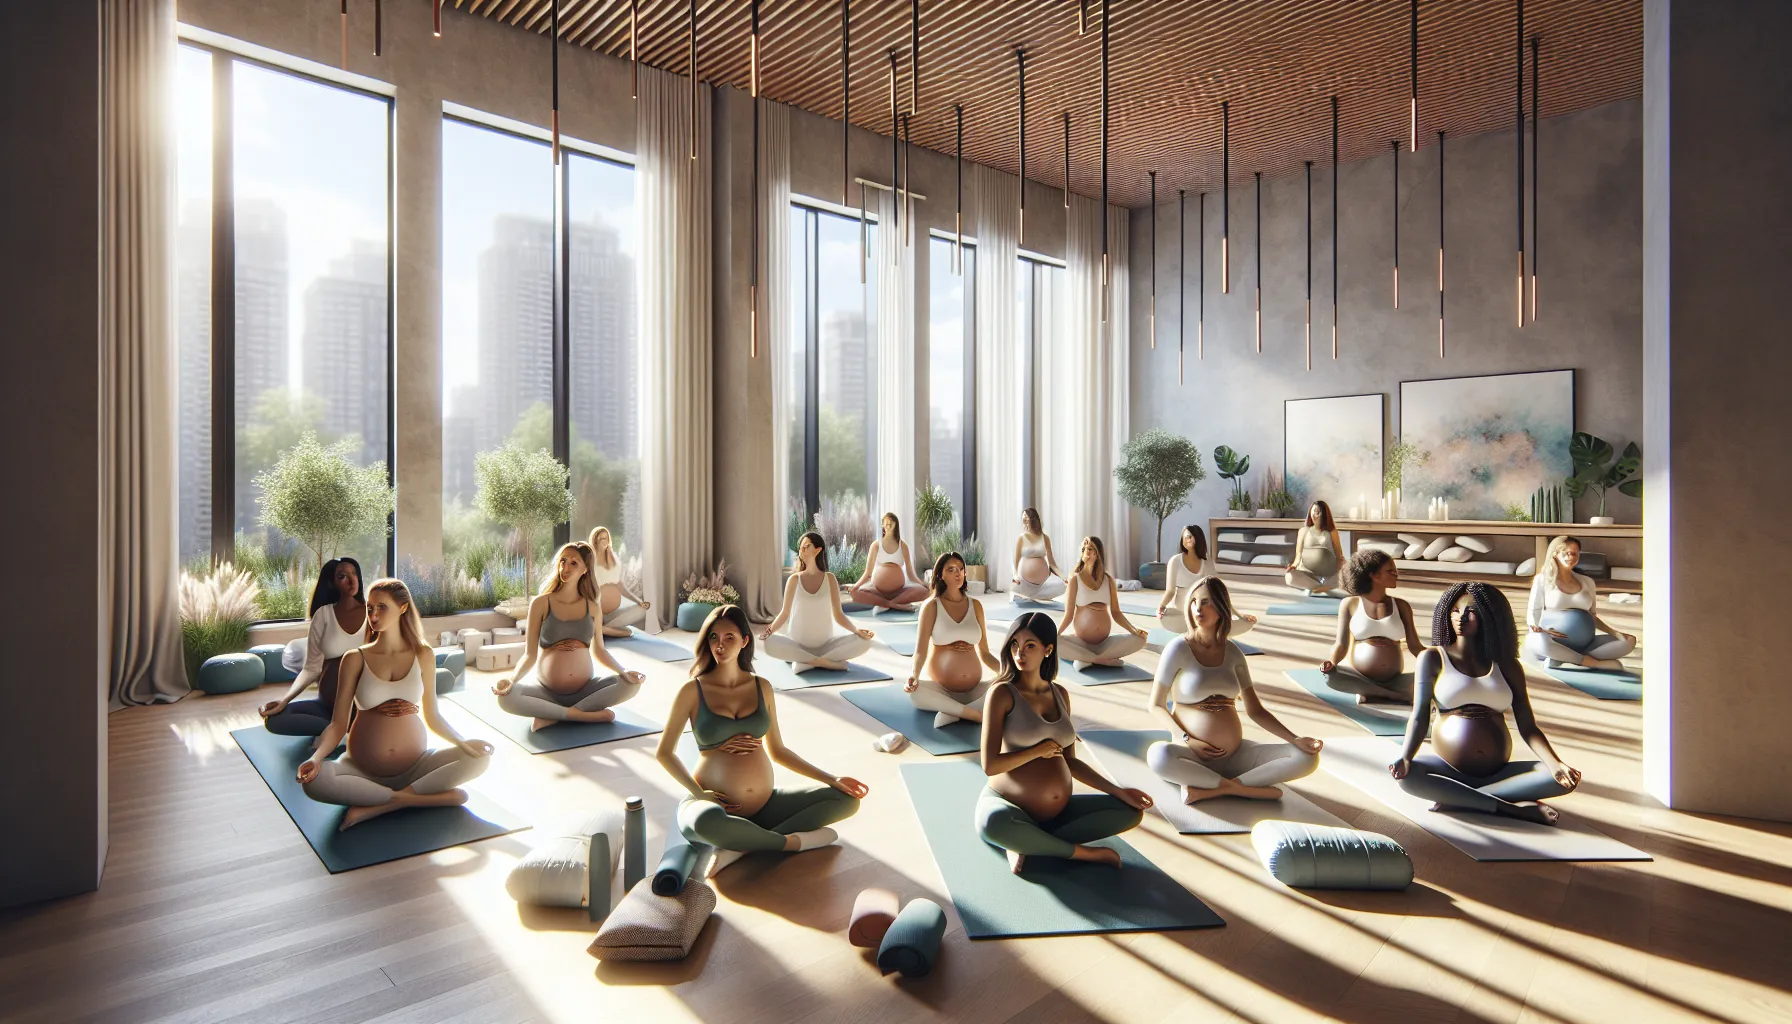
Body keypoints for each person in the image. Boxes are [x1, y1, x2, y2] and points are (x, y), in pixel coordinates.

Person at [657, 604, 868, 877]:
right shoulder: (692, 690)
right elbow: (664, 753)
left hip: (765, 804)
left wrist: (831, 779)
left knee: (847, 800)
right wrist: (699, 794)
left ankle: (741, 846)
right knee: (704, 823)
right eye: (713, 637)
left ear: (745, 641)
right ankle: (789, 843)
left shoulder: (762, 687)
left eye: (729, 638)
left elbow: (778, 750)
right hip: (712, 807)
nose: (719, 645)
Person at [297, 578, 493, 830]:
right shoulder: (355, 658)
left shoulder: (423, 654)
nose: (373, 615)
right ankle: (419, 799)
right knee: (314, 781)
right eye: (369, 608)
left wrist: (462, 742)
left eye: (381, 607)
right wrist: (316, 757)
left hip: (416, 767)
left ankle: (387, 803)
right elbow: (337, 725)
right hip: (361, 770)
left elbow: (433, 716)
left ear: (402, 608)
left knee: (480, 758)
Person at [1389, 581, 1581, 826]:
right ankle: (1511, 809)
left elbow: (1528, 727)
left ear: (1489, 618)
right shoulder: (1432, 658)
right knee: (1409, 777)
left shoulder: (1508, 665)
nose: (1461, 617)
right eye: (1455, 610)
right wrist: (1406, 757)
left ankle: (1460, 799)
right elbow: (1419, 716)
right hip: (1449, 769)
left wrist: (1556, 764)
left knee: (1560, 779)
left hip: (1498, 771)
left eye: (1471, 612)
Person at [976, 612, 1153, 874]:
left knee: (1129, 812)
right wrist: (1037, 751)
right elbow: (990, 765)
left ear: (1048, 650)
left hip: (1056, 814)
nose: (1019, 653)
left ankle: (1030, 842)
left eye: (1030, 646)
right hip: (1007, 806)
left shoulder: (1060, 694)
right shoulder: (1001, 693)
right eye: (1015, 644)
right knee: (993, 824)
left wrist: (1118, 791)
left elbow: (1070, 761)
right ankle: (1082, 854)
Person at [1146, 578, 1323, 803]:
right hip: (1191, 755)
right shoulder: (1178, 648)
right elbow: (1156, 705)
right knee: (1158, 756)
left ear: (1221, 608)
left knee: (1307, 758)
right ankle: (1245, 788)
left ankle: (1221, 788)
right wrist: (1187, 739)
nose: (1198, 608)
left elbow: (1255, 710)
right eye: (1194, 602)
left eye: (1207, 602)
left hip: (1235, 756)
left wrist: (1295, 739)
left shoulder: (1234, 653)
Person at [492, 543, 645, 731]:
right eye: (563, 561)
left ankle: (555, 715)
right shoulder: (541, 603)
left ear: (585, 569)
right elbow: (530, 654)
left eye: (574, 563)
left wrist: (623, 672)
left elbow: (599, 651)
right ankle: (580, 715)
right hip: (546, 692)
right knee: (506, 697)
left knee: (631, 685)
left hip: (585, 691)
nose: (565, 568)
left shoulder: (592, 608)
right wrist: (513, 680)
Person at [261, 557, 367, 740]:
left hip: (364, 706)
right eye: (342, 576)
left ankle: (341, 732)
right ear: (332, 583)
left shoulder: (373, 613)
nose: (352, 580)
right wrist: (284, 700)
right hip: (327, 705)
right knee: (275, 719)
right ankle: (341, 733)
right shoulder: (324, 615)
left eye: (354, 573)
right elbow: (311, 668)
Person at [904, 551, 1001, 727]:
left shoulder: (976, 606)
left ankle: (954, 712)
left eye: (961, 569)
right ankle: (973, 714)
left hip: (975, 690)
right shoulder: (932, 606)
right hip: (942, 690)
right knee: (915, 693)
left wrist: (1007, 672)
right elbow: (920, 651)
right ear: (941, 574)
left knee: (1011, 685)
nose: (958, 573)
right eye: (951, 569)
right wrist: (914, 675)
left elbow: (985, 653)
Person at [1318, 549, 1427, 704]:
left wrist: (1439, 660)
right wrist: (1332, 662)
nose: (1396, 574)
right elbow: (1341, 644)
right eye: (1391, 571)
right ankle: (1394, 696)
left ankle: (1374, 693)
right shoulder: (1350, 604)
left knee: (1434, 673)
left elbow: (1415, 646)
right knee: (1331, 677)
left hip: (1395, 678)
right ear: (1373, 575)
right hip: (1360, 676)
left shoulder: (1401, 606)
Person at [760, 532, 875, 671]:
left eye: (806, 546)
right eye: (800, 547)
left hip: (826, 645)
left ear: (818, 549)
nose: (801, 549)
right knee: (768, 643)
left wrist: (856, 631)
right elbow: (785, 613)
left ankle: (806, 662)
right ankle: (825, 662)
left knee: (865, 642)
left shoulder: (830, 579)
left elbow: (838, 614)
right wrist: (769, 631)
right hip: (798, 645)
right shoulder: (794, 580)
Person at [1523, 535, 1637, 671]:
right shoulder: (1542, 580)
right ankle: (1587, 661)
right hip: (1552, 640)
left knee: (1629, 642)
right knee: (1537, 641)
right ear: (1555, 553)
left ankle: (1564, 657)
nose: (1572, 557)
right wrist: (1536, 627)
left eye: (1575, 554)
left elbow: (1592, 616)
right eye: (1567, 553)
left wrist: (1616, 633)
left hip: (1586, 643)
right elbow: (1533, 609)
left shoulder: (1587, 582)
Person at [1055, 536, 1149, 667]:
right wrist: (1055, 634)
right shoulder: (1075, 580)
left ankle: (1086, 658)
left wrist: (1133, 630)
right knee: (1054, 643)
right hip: (1080, 642)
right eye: (1083, 549)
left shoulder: (1108, 580)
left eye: (1089, 548)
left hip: (1104, 644)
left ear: (1098, 552)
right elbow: (1068, 615)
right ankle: (1099, 659)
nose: (1085, 552)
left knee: (1140, 640)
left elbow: (1116, 613)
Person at [1155, 524, 1259, 636]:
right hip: (1182, 610)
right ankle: (1201, 628)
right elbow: (1170, 591)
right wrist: (1161, 608)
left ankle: (1211, 627)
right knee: (1167, 617)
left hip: (1204, 609)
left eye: (1190, 537)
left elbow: (1218, 591)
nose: (1187, 540)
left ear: (1198, 538)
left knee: (1241, 622)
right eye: (1184, 537)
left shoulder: (1207, 560)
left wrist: (1238, 615)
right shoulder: (1175, 561)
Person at [847, 512, 931, 611]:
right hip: (878, 591)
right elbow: (868, 573)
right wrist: (855, 586)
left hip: (898, 591)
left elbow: (911, 575)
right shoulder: (876, 545)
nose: (888, 526)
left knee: (926, 592)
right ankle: (895, 605)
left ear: (896, 525)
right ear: (882, 525)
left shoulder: (903, 546)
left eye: (891, 523)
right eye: (886, 524)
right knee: (855, 593)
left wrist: (924, 585)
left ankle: (889, 604)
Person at [587, 526, 652, 637]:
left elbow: (620, 585)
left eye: (606, 538)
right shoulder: (589, 560)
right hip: (596, 610)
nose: (605, 541)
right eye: (601, 539)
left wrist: (639, 601)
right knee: (627, 632)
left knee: (642, 610)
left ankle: (602, 629)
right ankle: (601, 628)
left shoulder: (613, 558)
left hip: (612, 611)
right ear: (594, 540)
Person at [1285, 500, 1344, 595]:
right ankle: (1323, 588)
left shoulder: (1332, 532)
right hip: (1307, 573)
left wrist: (1342, 570)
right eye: (1312, 512)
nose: (1314, 515)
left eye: (1317, 512)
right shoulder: (1303, 531)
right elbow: (1298, 555)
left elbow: (1339, 556)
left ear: (1324, 515)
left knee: (1349, 574)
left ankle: (1316, 587)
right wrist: (1293, 565)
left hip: (1328, 574)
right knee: (1289, 577)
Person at [1009, 507, 1066, 603]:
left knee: (1062, 585)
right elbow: (1016, 561)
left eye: (1026, 518)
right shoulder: (1022, 538)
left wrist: (1063, 577)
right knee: (1014, 586)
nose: (1024, 521)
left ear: (1033, 519)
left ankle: (1032, 597)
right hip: (1024, 583)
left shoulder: (1045, 538)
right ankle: (1029, 596)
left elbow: (1052, 564)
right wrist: (1015, 575)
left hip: (1042, 585)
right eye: (1023, 519)